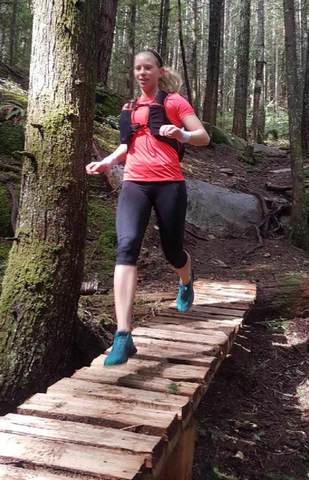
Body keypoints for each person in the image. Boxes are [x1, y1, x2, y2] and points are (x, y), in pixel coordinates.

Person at [86, 49, 210, 366]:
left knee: (173, 252)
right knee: (126, 247)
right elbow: (128, 144)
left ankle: (186, 278)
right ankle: (124, 335)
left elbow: (203, 137)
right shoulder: (129, 107)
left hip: (169, 183)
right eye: (138, 68)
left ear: (159, 71)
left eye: (148, 68)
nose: (142, 73)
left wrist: (181, 132)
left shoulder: (174, 102)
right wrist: (108, 162)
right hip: (134, 183)